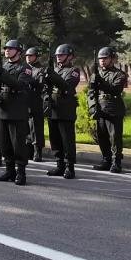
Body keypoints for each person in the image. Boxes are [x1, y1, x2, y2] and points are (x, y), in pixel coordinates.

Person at [0, 40, 33, 186]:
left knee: (18, 143)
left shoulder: (25, 68)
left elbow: (19, 85)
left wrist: (3, 75)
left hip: (17, 110)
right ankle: (9, 170)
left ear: (18, 51)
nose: (7, 51)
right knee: (5, 143)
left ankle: (21, 172)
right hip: (3, 108)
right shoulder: (3, 66)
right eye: (6, 49)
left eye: (10, 49)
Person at [89, 46, 128, 173]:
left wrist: (100, 81)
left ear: (112, 59)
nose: (102, 61)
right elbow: (91, 92)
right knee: (102, 137)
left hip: (113, 109)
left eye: (105, 58)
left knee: (114, 137)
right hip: (100, 108)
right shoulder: (97, 74)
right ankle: (106, 160)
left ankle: (116, 162)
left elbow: (115, 89)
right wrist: (92, 106)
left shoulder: (119, 74)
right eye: (100, 59)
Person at [43, 44, 80, 179]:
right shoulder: (55, 70)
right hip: (53, 108)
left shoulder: (73, 71)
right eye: (58, 56)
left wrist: (52, 76)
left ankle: (70, 167)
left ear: (70, 57)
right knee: (55, 139)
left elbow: (67, 86)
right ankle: (59, 165)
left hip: (65, 109)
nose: (59, 58)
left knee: (67, 140)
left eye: (62, 55)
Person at [25, 47, 46, 162]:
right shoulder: (25, 68)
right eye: (27, 56)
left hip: (36, 101)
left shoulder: (41, 70)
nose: (28, 58)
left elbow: (40, 84)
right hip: (25, 101)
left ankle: (38, 152)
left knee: (36, 128)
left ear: (36, 57)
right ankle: (28, 150)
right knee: (27, 128)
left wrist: (29, 81)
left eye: (31, 56)